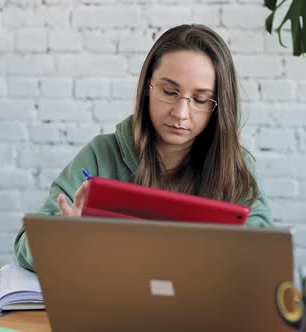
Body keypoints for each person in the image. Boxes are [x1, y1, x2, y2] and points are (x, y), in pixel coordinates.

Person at [14, 24, 273, 271]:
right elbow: (27, 246)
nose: (181, 113)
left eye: (200, 99)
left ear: (218, 106)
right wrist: (67, 237)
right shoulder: (101, 155)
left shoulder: (233, 164)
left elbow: (264, 251)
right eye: (170, 92)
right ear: (147, 87)